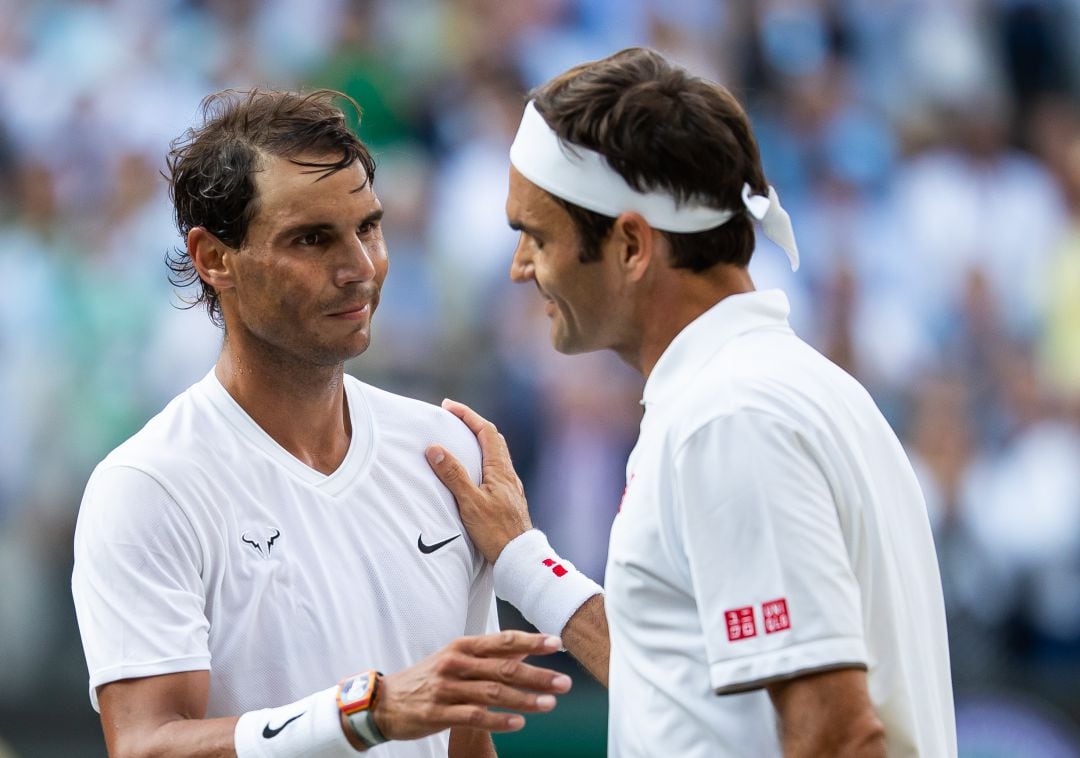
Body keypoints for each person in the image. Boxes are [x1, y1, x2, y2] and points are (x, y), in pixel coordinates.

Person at [424, 48, 957, 757]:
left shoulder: (730, 418)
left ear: (633, 246)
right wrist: (525, 560)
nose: (520, 267)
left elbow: (837, 733)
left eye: (537, 235)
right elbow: (685, 687)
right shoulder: (769, 391)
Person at [70, 89, 571, 758]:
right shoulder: (146, 485)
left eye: (368, 226)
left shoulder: (447, 452)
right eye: (312, 239)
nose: (361, 269)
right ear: (213, 258)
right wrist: (367, 711)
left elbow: (464, 735)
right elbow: (145, 745)